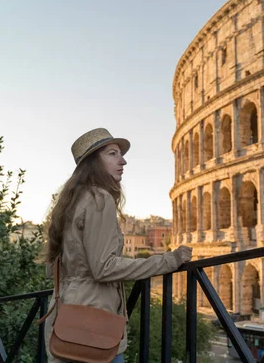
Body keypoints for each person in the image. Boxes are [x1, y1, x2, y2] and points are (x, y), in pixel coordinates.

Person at [40, 128, 192, 363]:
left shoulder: (71, 202)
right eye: (112, 154)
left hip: (67, 316)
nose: (123, 161)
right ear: (93, 163)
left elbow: (53, 269)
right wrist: (168, 260)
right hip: (93, 324)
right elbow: (104, 268)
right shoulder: (99, 199)